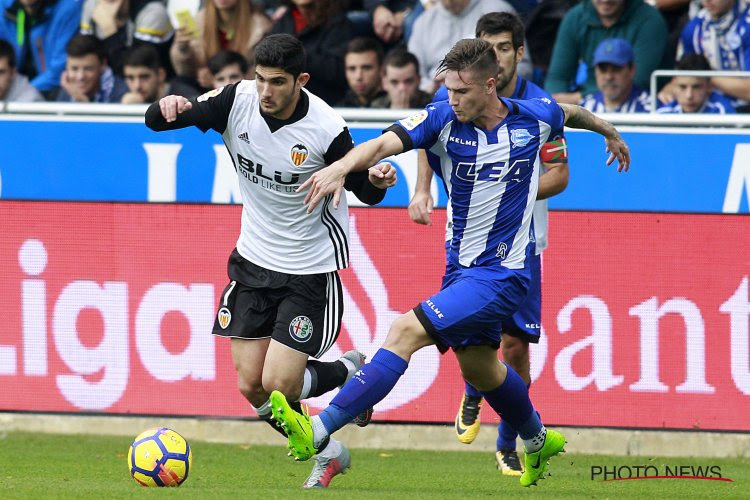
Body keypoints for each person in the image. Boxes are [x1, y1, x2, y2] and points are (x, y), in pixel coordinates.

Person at [269, 37, 630, 488]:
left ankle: (319, 428)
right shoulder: (441, 119)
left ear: (490, 85)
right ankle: (538, 440)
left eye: (461, 91)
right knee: (480, 368)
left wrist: (608, 131)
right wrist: (343, 168)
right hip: (460, 268)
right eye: (449, 89)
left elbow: (571, 115)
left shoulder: (533, 118)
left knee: (404, 330)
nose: (451, 98)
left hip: (504, 274)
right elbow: (383, 144)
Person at [145, 34, 396, 490]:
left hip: (309, 268)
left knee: (279, 383)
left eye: (277, 82)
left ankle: (352, 372)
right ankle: (329, 451)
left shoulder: (326, 127)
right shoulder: (235, 100)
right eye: (260, 79)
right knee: (251, 386)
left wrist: (379, 179)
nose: (265, 91)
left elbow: (365, 190)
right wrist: (165, 107)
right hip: (253, 260)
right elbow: (158, 122)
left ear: (300, 80)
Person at [409, 11, 570, 476]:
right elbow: (426, 138)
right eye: (488, 47)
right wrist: (422, 190)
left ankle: (508, 442)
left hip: (524, 244)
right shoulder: (454, 98)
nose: (495, 57)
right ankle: (475, 387)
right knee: (478, 345)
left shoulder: (540, 107)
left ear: (518, 53)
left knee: (516, 347)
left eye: (503, 48)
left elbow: (559, 174)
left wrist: (509, 192)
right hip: (471, 246)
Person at [544, 0, 668, 104]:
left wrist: (581, 98)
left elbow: (638, 79)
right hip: (586, 104)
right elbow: (557, 78)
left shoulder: (650, 20)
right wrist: (556, 104)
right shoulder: (574, 17)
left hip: (639, 105)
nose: (605, 0)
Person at [408, 0, 528, 93]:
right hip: (433, 98)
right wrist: (429, 88)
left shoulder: (497, 9)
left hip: (486, 96)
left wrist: (476, 83)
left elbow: (524, 66)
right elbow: (412, 73)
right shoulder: (424, 21)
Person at [170, 0, 271, 90]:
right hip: (206, 90)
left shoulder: (260, 27)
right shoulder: (198, 22)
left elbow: (267, 68)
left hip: (246, 89)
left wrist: (247, 77)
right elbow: (184, 72)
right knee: (179, 82)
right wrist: (182, 48)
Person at [271, 0, 355, 106]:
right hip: (284, 104)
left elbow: (338, 70)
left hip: (324, 104)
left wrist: (297, 55)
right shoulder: (284, 20)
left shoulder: (337, 22)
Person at [675, 0, 750, 107]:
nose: (707, 1)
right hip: (709, 108)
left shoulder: (747, 25)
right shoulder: (694, 28)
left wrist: (704, 77)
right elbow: (684, 77)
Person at [0, 0, 81, 96]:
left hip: (52, 90)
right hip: (10, 87)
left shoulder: (68, 8)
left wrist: (24, 92)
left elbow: (58, 70)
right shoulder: (4, 6)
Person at [79, 0, 174, 76]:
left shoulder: (153, 12)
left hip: (158, 92)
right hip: (106, 84)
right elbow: (82, 56)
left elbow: (135, 72)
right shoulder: (91, 5)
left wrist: (109, 30)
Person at [580, 38, 650, 112]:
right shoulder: (585, 107)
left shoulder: (650, 109)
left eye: (616, 69)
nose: (608, 77)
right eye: (603, 70)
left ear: (632, 70)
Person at [56, 34, 128, 103]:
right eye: (74, 69)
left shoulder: (121, 92)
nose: (80, 77)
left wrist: (83, 103)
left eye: (88, 69)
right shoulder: (67, 88)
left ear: (103, 65)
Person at [657, 53, 736, 113]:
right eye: (682, 87)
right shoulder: (663, 114)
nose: (689, 95)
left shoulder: (722, 113)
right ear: (673, 85)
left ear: (709, 87)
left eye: (696, 87)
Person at [121, 45, 199, 103]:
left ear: (161, 75)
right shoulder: (124, 97)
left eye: (144, 77)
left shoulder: (187, 98)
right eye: (130, 78)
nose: (137, 86)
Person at [338, 37, 386, 107]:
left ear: (382, 70)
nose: (358, 77)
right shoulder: (337, 111)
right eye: (352, 69)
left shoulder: (397, 108)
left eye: (366, 68)